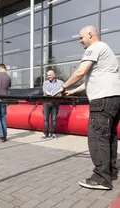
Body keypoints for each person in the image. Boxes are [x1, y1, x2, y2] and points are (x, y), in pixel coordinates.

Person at [54, 25, 120, 190]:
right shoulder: (107, 51)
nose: (80, 41)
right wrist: (72, 91)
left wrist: (62, 87)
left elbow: (80, 72)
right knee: (109, 136)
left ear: (90, 34)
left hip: (102, 100)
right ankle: (110, 171)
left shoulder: (95, 47)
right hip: (114, 99)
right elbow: (88, 81)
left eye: (81, 37)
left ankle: (101, 178)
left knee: (97, 136)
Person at [41, 70, 64, 139]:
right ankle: (45, 133)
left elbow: (63, 89)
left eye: (49, 75)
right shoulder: (45, 82)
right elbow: (45, 90)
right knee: (45, 119)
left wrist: (57, 93)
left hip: (55, 102)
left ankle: (53, 133)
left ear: (54, 75)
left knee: (53, 119)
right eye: (47, 75)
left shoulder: (60, 82)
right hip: (46, 102)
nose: (48, 77)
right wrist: (49, 94)